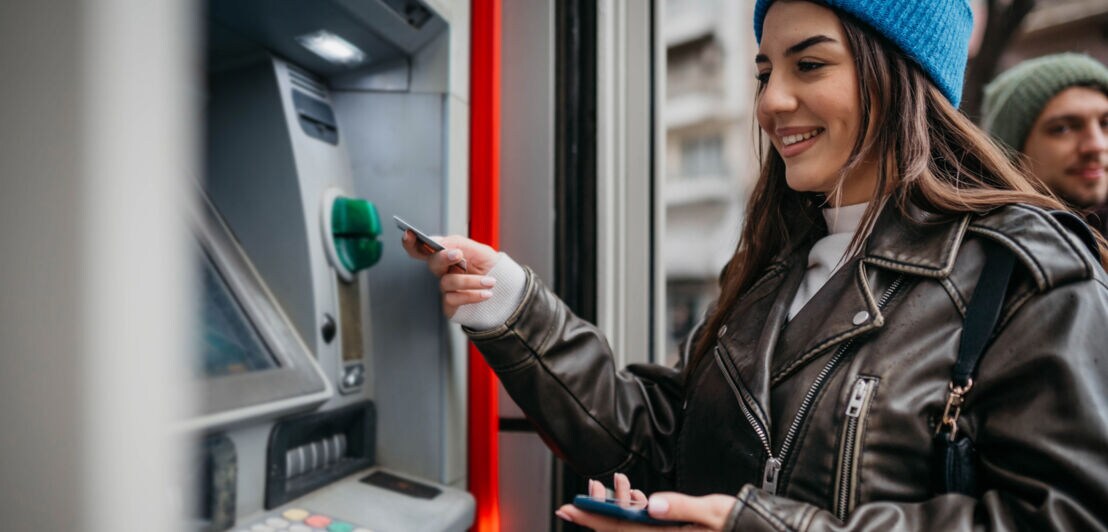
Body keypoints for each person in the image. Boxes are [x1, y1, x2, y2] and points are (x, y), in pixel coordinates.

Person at [405, 0, 1108, 530]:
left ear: (901, 72)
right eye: (765, 70)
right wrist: (507, 300)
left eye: (810, 64)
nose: (772, 101)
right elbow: (662, 442)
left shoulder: (1027, 272)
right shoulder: (771, 271)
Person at [982, 53, 1108, 235]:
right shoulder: (992, 252)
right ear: (1011, 152)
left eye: (1105, 123)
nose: (1096, 145)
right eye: (1062, 129)